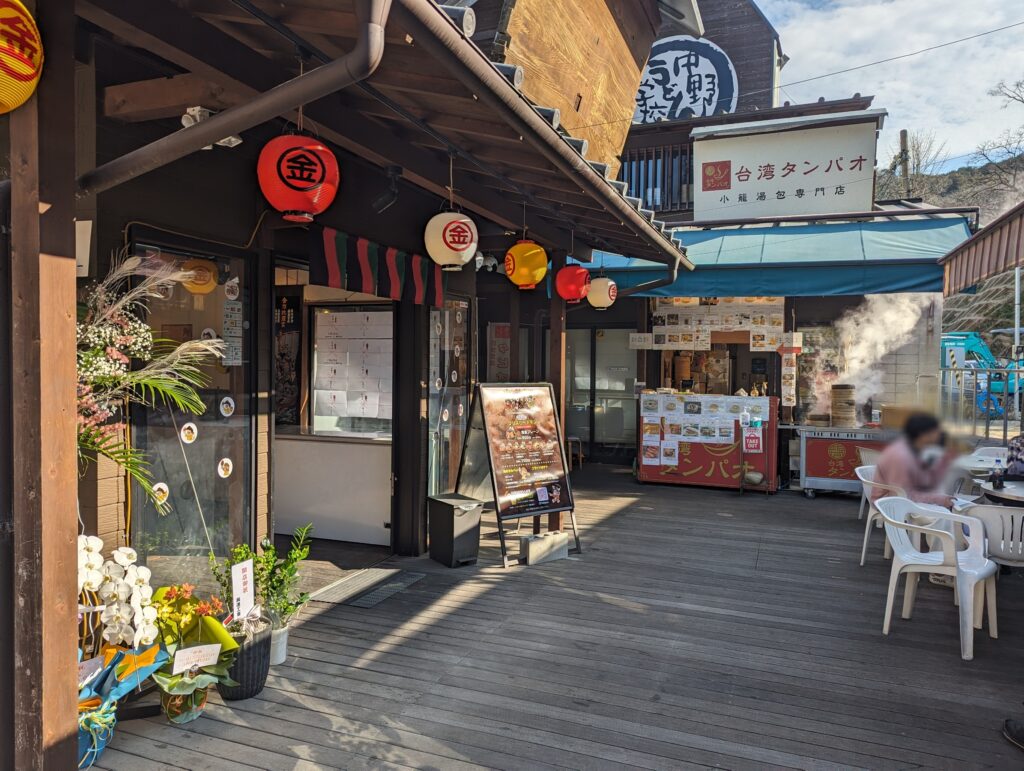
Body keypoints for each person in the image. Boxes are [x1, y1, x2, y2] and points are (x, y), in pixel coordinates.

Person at [871, 413, 955, 509]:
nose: (939, 434)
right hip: (888, 503)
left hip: (902, 496)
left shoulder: (912, 447)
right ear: (923, 434)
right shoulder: (901, 457)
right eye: (935, 431)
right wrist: (937, 499)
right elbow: (904, 495)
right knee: (945, 514)